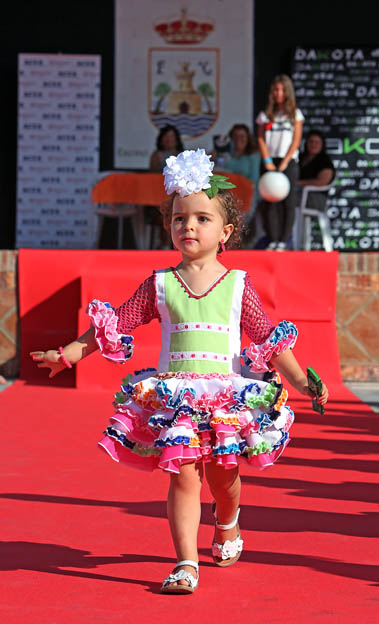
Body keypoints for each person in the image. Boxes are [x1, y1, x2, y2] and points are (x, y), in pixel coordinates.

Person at [30, 149, 328, 595]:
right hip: (177, 402)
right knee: (183, 475)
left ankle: (228, 520)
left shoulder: (238, 286)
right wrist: (68, 353)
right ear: (168, 224)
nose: (188, 226)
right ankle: (186, 562)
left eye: (202, 219)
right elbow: (116, 323)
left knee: (223, 480)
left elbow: (269, 339)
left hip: (226, 398)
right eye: (179, 218)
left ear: (226, 231)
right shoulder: (160, 284)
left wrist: (304, 383)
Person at [256, 74, 304, 250]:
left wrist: (285, 162)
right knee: (270, 201)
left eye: (282, 90)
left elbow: (296, 140)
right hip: (270, 161)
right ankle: (272, 239)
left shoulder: (295, 114)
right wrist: (267, 160)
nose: (279, 93)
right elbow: (260, 138)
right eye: (276, 90)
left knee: (288, 202)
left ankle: (284, 240)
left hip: (288, 161)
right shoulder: (266, 114)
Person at [148, 125, 185, 249]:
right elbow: (152, 178)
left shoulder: (183, 156)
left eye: (171, 137)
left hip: (179, 200)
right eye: (166, 137)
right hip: (157, 201)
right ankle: (165, 246)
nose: (169, 140)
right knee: (164, 216)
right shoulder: (156, 155)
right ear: (161, 139)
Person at [297, 129, 335, 210]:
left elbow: (322, 182)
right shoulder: (300, 158)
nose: (313, 144)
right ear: (306, 143)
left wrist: (298, 183)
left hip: (316, 198)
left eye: (317, 142)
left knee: (287, 200)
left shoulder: (325, 161)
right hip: (298, 193)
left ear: (322, 145)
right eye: (311, 141)